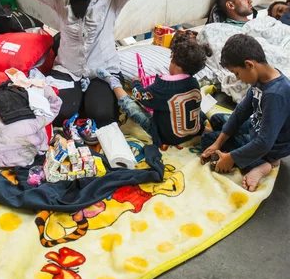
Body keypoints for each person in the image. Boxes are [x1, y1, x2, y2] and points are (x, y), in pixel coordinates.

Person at [21, 0, 146, 128]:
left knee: (101, 115)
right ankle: (79, 102)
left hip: (102, 70)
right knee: (60, 113)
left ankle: (87, 102)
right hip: (67, 70)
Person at [201, 34, 290, 192]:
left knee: (208, 140)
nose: (239, 79)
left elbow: (264, 142)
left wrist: (230, 158)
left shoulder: (276, 94)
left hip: (271, 146)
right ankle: (232, 148)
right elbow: (241, 112)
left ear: (249, 65)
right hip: (256, 127)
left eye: (236, 73)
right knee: (217, 120)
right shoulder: (260, 80)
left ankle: (265, 165)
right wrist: (218, 143)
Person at [112, 37, 208, 145]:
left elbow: (140, 96)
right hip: (194, 131)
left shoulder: (163, 86)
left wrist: (135, 83)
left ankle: (113, 83)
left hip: (168, 138)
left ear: (173, 60)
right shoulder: (194, 83)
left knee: (132, 107)